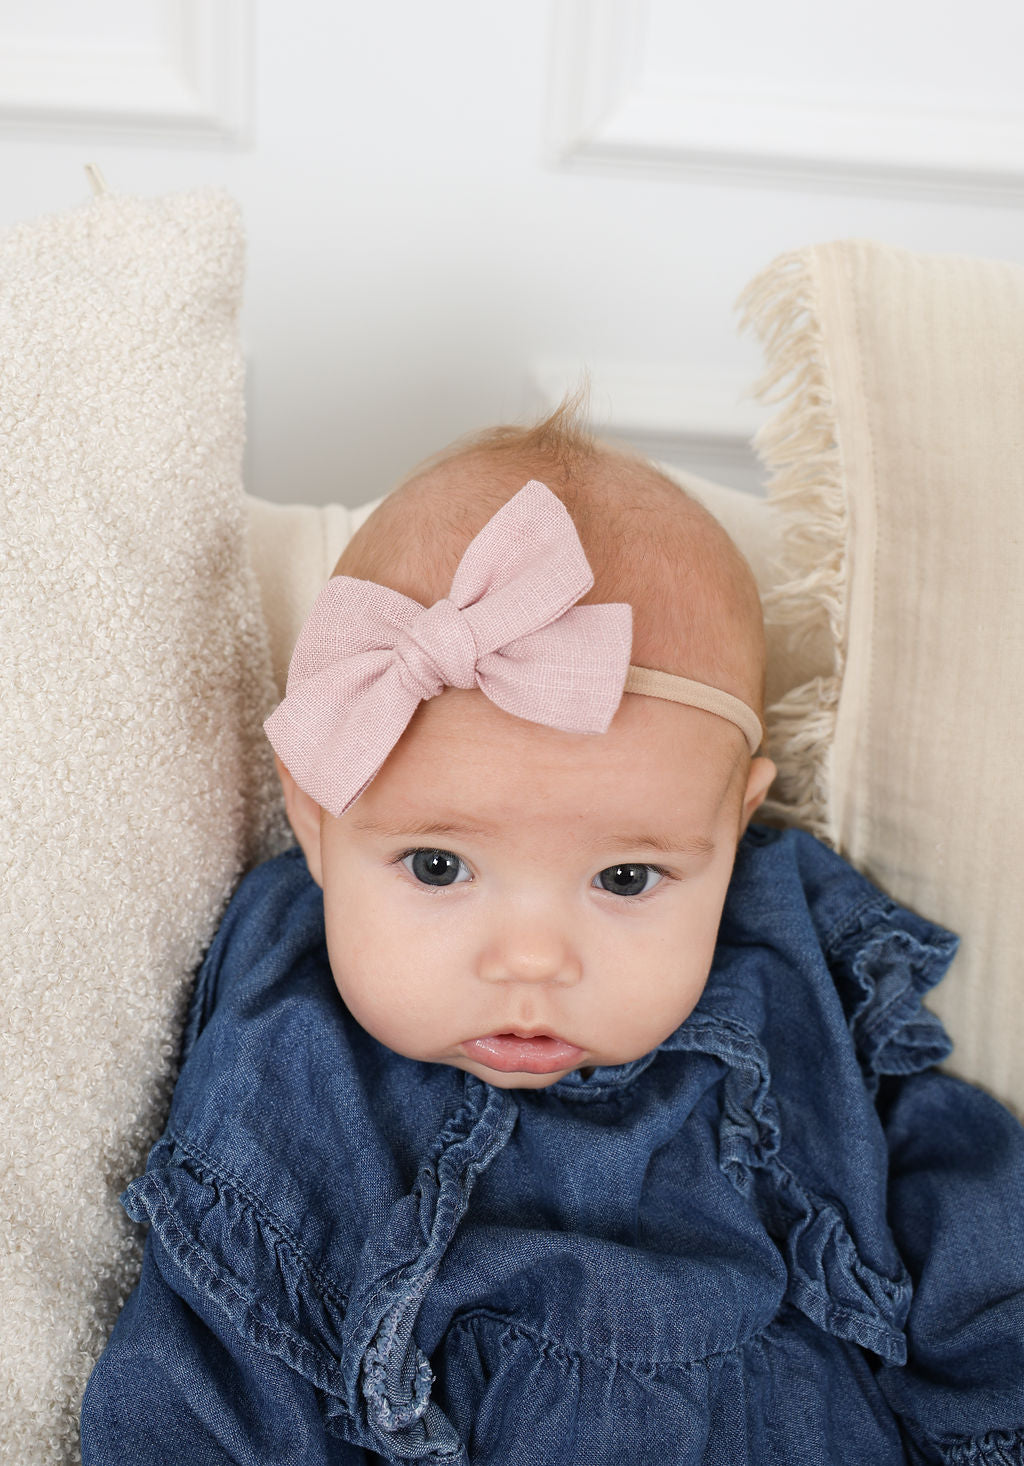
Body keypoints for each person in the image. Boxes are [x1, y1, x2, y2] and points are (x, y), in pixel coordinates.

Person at [80, 406, 1024, 1465]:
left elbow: (964, 1204)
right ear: (315, 819)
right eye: (438, 866)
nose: (532, 958)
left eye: (626, 876)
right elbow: (214, 1335)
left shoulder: (790, 961)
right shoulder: (290, 1035)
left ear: (733, 823)